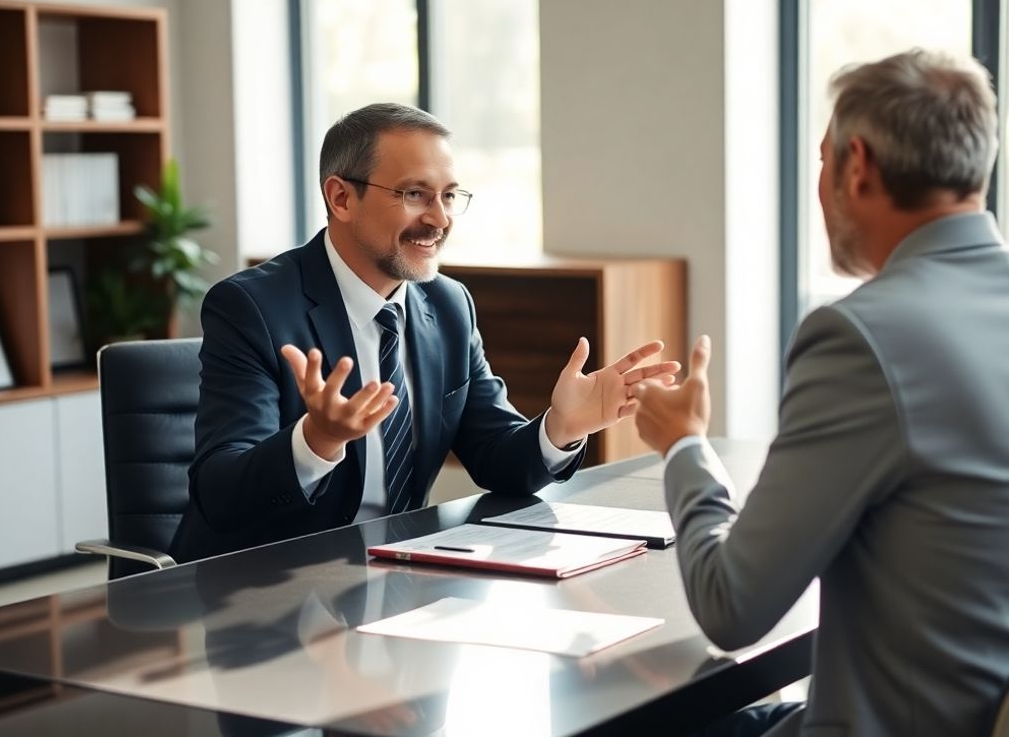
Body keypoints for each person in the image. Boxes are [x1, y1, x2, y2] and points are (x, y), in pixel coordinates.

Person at [632, 49, 1009, 737]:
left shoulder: (862, 336)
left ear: (856, 164)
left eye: (822, 160)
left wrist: (684, 444)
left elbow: (730, 608)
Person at [172, 103, 678, 562]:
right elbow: (221, 495)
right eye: (415, 194)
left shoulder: (447, 304)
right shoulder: (252, 306)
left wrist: (562, 427)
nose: (439, 219)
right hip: (259, 593)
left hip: (392, 576)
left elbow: (497, 459)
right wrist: (316, 441)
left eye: (450, 196)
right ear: (341, 197)